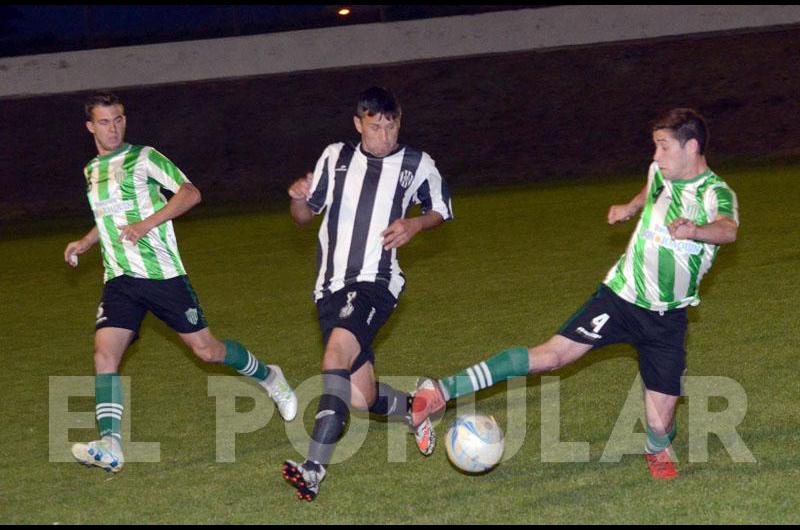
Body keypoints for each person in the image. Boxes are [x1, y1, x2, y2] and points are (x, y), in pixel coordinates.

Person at [412, 108, 738, 480]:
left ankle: (657, 445)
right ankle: (441, 389)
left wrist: (696, 230)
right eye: (655, 147)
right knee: (550, 356)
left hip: (668, 319)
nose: (656, 157)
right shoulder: (659, 173)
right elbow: (651, 188)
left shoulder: (715, 192)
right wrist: (631, 207)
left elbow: (727, 229)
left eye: (663, 148)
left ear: (691, 146)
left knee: (660, 425)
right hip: (620, 298)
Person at [64, 93, 298, 473]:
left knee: (207, 351)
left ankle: (270, 376)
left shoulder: (145, 157)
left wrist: (146, 224)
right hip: (119, 279)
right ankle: (111, 443)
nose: (113, 128)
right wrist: (86, 242)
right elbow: (109, 216)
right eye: (104, 122)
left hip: (162, 275)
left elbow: (190, 193)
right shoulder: (91, 170)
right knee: (104, 355)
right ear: (90, 127)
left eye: (118, 119)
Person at [282, 86, 453, 501]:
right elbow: (304, 217)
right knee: (361, 395)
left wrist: (414, 224)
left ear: (400, 120)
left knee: (334, 359)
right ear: (358, 124)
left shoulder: (417, 163)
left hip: (376, 282)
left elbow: (442, 209)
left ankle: (314, 467)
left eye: (391, 125)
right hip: (329, 287)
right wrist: (298, 197)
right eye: (375, 126)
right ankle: (415, 408)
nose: (385, 135)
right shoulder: (335, 156)